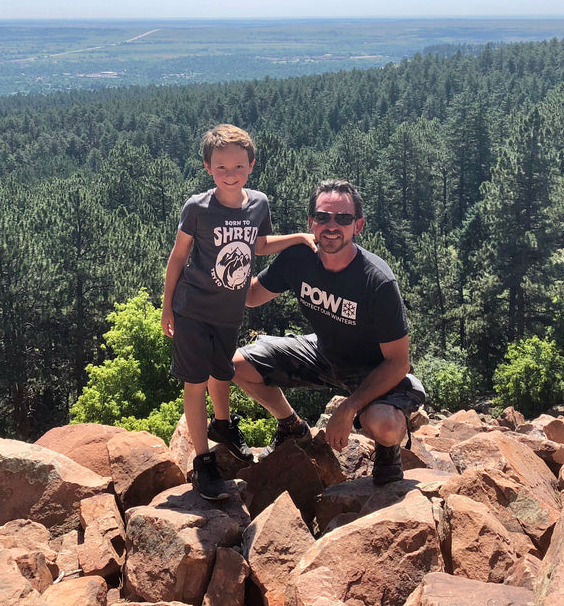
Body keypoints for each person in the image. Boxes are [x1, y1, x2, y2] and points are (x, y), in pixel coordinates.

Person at [233, 179, 427, 485]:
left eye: (343, 218)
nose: (331, 226)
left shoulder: (376, 281)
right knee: (237, 366)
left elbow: (398, 362)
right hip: (323, 352)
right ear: (311, 223)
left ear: (358, 226)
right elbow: (252, 296)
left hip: (372, 369)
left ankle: (389, 446)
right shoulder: (298, 259)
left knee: (386, 426)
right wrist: (227, 253)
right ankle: (291, 426)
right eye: (323, 217)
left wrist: (349, 408)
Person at [162, 124, 316, 501]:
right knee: (195, 384)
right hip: (193, 310)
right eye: (221, 168)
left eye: (238, 167)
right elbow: (178, 257)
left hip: (228, 312)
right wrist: (167, 307)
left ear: (251, 164)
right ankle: (203, 463)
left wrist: (297, 237)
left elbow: (259, 244)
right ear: (207, 168)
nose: (230, 175)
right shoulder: (198, 208)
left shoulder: (258, 203)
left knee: (222, 371)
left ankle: (223, 425)